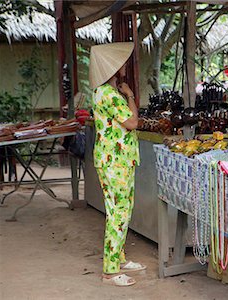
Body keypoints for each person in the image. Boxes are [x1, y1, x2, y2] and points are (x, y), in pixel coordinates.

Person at [89, 42, 145, 286]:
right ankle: (110, 270)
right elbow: (133, 122)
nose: (123, 65)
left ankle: (118, 258)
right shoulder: (110, 95)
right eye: (119, 62)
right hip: (115, 161)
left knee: (121, 210)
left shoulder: (102, 92)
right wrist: (130, 95)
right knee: (118, 213)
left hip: (115, 159)